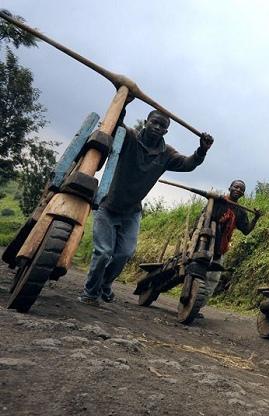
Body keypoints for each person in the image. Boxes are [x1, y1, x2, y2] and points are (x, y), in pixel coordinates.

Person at [79, 109, 213, 305]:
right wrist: (124, 105)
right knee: (104, 253)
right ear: (146, 122)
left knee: (124, 253)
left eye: (162, 126)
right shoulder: (129, 138)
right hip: (108, 204)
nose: (158, 128)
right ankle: (90, 292)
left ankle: (105, 285)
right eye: (155, 123)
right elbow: (116, 124)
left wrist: (202, 150)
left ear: (166, 132)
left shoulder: (166, 154)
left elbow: (187, 163)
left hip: (132, 211)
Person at [204, 179, 261, 297]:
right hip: (204, 242)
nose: (238, 190)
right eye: (236, 187)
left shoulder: (240, 211)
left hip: (220, 248)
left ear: (243, 194)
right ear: (229, 188)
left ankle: (198, 305)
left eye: (241, 189)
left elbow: (246, 230)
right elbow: (203, 216)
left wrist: (256, 218)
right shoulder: (217, 201)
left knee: (212, 279)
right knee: (199, 271)